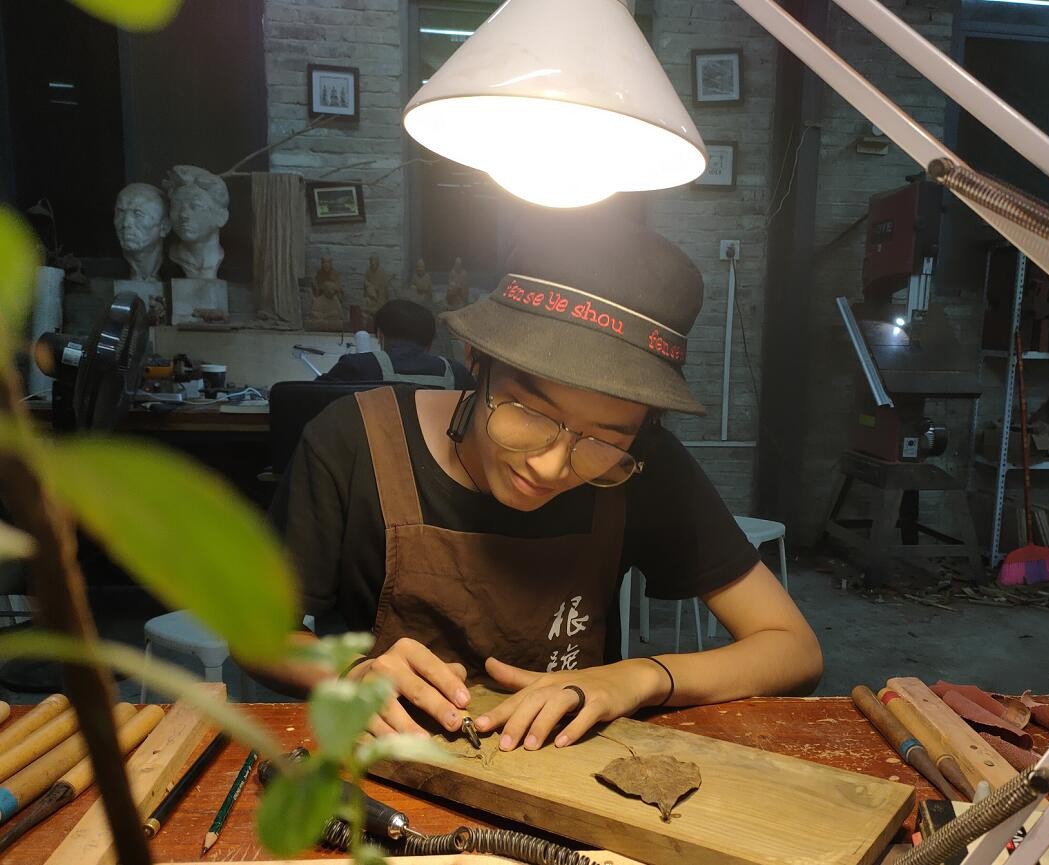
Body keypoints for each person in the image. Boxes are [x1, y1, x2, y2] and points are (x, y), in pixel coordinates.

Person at [259, 213, 822, 753]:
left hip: (574, 772)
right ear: (476, 359)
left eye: (603, 439)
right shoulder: (354, 441)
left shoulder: (643, 466)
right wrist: (349, 671)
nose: (551, 468)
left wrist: (638, 678)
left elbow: (793, 648)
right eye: (529, 413)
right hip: (392, 769)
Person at [318, 299, 473, 389]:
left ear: (380, 335)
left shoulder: (356, 367)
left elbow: (310, 401)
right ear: (430, 341)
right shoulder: (458, 374)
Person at [163, 165, 229, 279]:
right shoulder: (170, 259)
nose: (183, 214)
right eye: (176, 206)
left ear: (221, 216)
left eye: (195, 206)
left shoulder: (230, 260)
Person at [113, 182, 171, 281]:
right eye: (121, 212)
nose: (125, 223)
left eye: (138, 214)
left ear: (164, 226)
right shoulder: (109, 269)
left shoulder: (175, 269)